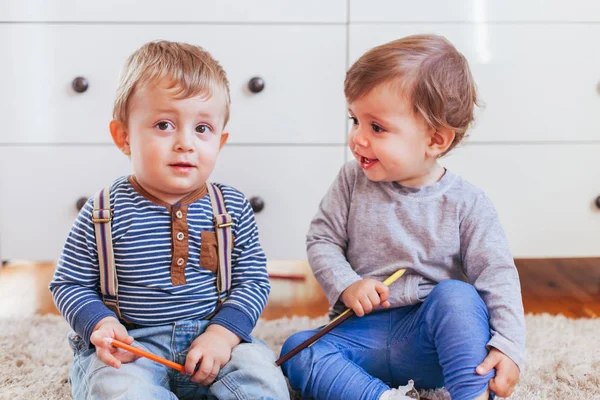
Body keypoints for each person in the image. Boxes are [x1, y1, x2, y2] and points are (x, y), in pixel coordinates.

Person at [280, 34, 525, 400]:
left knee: (457, 297)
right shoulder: (351, 180)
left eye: (376, 127)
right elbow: (322, 240)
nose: (358, 139)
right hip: (362, 333)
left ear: (435, 141)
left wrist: (508, 346)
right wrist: (348, 284)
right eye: (355, 120)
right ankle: (380, 397)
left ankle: (471, 394)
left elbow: (497, 275)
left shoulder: (468, 203)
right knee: (297, 349)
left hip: (429, 342)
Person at [49, 40, 289, 400]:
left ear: (220, 141)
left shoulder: (231, 208)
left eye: (202, 129)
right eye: (164, 125)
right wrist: (102, 324)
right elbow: (68, 283)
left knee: (264, 379)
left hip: (214, 342)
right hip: (134, 348)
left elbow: (252, 280)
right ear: (124, 136)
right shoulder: (103, 211)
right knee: (112, 388)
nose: (185, 143)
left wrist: (223, 335)